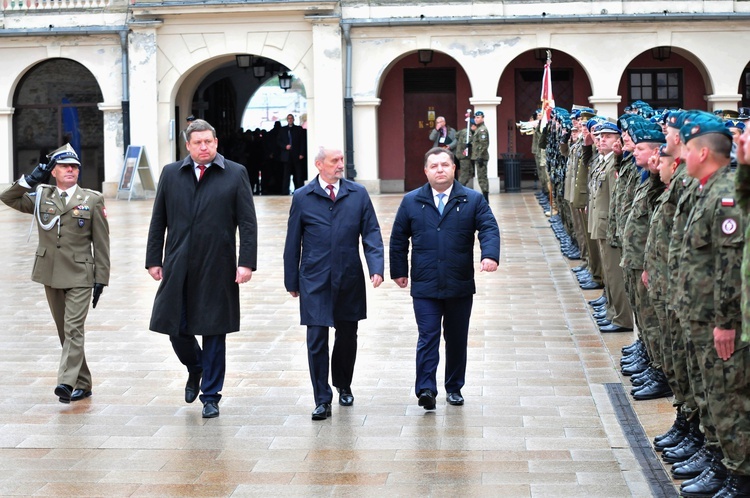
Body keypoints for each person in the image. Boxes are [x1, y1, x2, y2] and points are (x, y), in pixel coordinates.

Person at [146, 118, 258, 419]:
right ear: (188, 146)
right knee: (173, 326)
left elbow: (247, 223)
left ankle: (211, 395)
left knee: (214, 330)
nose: (204, 146)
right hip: (178, 262)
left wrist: (246, 262)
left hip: (218, 264)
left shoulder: (235, 174)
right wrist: (153, 259)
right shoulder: (172, 174)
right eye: (198, 142)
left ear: (216, 142)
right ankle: (196, 367)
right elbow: (159, 220)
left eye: (208, 141)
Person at [390, 147, 500, 410]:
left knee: (456, 337)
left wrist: (490, 255)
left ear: (454, 168)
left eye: (445, 165)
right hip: (425, 283)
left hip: (459, 282)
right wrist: (399, 271)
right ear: (426, 171)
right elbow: (398, 239)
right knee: (427, 336)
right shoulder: (411, 201)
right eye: (434, 166)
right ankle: (426, 389)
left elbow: (488, 228)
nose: (440, 170)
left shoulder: (472, 200)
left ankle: (454, 387)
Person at [0, 144, 110, 403]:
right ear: (53, 171)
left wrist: (101, 278)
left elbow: (102, 242)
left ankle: (66, 382)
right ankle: (84, 381)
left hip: (80, 273)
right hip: (50, 271)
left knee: (73, 329)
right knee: (64, 330)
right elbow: (7, 197)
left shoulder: (91, 199)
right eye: (64, 166)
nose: (71, 170)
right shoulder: (41, 196)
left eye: (74, 166)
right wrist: (29, 179)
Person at [283, 147, 384, 420]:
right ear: (319, 165)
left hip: (349, 276)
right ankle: (321, 398)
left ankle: (343, 382)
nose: (341, 165)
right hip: (314, 279)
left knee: (347, 335)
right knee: (316, 337)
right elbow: (293, 242)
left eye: (341, 160)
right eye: (335, 161)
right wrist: (291, 280)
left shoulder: (357, 194)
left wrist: (376, 267)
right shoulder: (302, 197)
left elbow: (371, 232)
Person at [277, 114, 307, 195]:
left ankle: (300, 191)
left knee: (298, 174)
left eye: (291, 118)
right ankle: (285, 191)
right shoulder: (283, 130)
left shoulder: (298, 129)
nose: (290, 120)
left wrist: (301, 153)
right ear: (287, 120)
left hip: (296, 155)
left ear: (293, 119)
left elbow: (302, 142)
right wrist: (285, 146)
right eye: (288, 118)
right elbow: (278, 141)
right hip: (286, 155)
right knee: (286, 174)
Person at [465, 110, 491, 202]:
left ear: (482, 118)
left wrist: (479, 156)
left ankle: (485, 197)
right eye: (475, 117)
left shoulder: (482, 129)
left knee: (482, 177)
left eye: (478, 117)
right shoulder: (478, 129)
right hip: (476, 156)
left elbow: (484, 145)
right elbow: (477, 143)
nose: (476, 119)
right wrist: (470, 144)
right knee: (480, 177)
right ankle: (484, 196)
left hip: (481, 157)